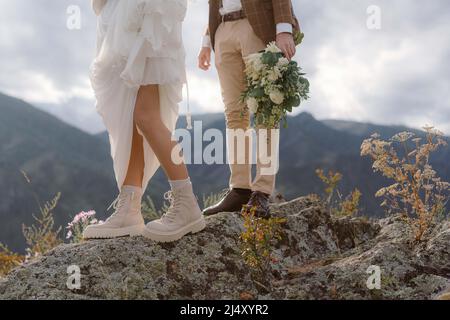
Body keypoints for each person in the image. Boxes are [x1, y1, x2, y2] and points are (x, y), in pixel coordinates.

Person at [83, 0, 206, 242]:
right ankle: (129, 207)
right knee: (131, 115)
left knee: (145, 115)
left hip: (152, 12)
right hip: (125, 13)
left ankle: (186, 203)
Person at [198, 0, 300, 217]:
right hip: (222, 30)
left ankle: (262, 191)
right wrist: (207, 41)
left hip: (255, 25)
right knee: (234, 113)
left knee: (265, 110)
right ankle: (240, 189)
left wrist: (284, 29)